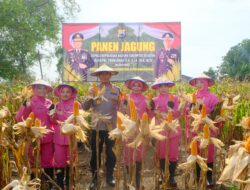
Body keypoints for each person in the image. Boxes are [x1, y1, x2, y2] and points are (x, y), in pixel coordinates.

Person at [82, 64, 120, 189]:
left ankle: (110, 176)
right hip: (96, 127)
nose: (104, 76)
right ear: (98, 76)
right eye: (101, 73)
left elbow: (121, 108)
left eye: (107, 73)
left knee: (111, 153)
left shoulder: (116, 90)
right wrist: (90, 96)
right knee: (95, 153)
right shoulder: (93, 89)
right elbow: (85, 108)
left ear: (110, 75)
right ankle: (94, 178)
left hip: (112, 128)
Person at [15, 80, 54, 186]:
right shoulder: (29, 101)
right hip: (32, 137)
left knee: (48, 161)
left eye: (44, 88)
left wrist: (54, 115)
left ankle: (48, 184)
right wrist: (24, 106)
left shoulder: (50, 103)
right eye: (39, 88)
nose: (42, 90)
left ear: (47, 90)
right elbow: (19, 118)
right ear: (33, 89)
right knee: (32, 161)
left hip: (48, 136)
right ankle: (33, 184)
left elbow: (52, 121)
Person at [188, 74, 219, 188]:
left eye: (202, 82)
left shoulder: (213, 97)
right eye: (197, 82)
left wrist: (205, 111)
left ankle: (209, 177)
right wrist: (191, 109)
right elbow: (189, 113)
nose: (199, 84)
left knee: (209, 152)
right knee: (197, 151)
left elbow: (217, 114)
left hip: (208, 129)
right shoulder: (192, 96)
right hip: (196, 129)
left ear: (207, 83)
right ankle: (197, 175)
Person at [150, 77, 181, 188]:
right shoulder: (154, 100)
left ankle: (172, 176)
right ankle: (163, 175)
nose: (163, 88)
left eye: (165, 86)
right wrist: (155, 112)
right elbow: (151, 115)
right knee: (161, 153)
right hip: (160, 130)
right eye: (161, 86)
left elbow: (178, 114)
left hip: (173, 129)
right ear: (157, 87)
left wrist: (171, 111)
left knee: (173, 154)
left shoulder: (175, 98)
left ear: (169, 87)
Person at [122, 76, 149, 189]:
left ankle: (138, 181)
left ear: (142, 87)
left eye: (139, 85)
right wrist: (123, 108)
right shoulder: (126, 98)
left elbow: (149, 115)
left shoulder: (146, 99)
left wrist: (151, 109)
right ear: (131, 86)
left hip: (140, 130)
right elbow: (121, 113)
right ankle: (129, 180)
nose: (136, 87)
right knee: (128, 154)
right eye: (134, 85)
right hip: (128, 130)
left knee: (138, 154)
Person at [51, 84, 78, 190]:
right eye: (63, 92)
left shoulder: (77, 105)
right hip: (59, 137)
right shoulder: (56, 105)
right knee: (59, 161)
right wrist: (53, 116)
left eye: (67, 92)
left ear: (72, 94)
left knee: (71, 160)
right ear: (59, 93)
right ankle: (60, 184)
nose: (65, 94)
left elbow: (79, 120)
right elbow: (52, 121)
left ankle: (71, 182)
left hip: (71, 137)